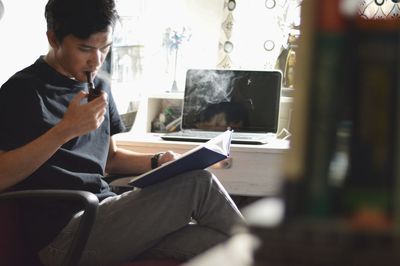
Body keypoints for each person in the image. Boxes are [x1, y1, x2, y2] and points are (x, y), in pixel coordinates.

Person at [0, 0, 244, 265]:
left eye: (104, 48)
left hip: (107, 216)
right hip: (65, 236)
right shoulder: (22, 92)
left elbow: (109, 158)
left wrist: (158, 160)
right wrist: (65, 130)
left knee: (222, 246)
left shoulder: (98, 85)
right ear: (53, 38)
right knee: (199, 183)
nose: (96, 60)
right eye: (85, 49)